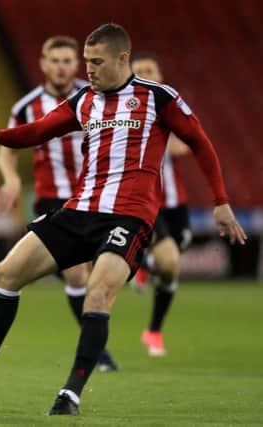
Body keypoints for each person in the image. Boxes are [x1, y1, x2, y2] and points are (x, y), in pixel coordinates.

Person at [0, 23, 246, 416]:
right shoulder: (85, 100)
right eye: (87, 61)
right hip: (79, 210)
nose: (88, 69)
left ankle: (70, 395)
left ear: (122, 58)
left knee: (97, 293)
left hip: (128, 218)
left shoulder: (158, 98)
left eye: (96, 61)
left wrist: (220, 201)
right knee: (5, 275)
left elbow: (200, 141)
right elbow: (39, 131)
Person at [0, 35, 117, 371]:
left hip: (97, 195)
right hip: (54, 199)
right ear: (43, 63)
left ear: (75, 64)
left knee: (99, 274)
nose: (61, 67)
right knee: (79, 274)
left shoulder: (99, 98)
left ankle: (96, 339)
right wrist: (12, 179)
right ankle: (99, 355)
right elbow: (7, 150)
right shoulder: (26, 106)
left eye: (67, 61)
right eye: (55, 61)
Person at [130, 52, 193, 356]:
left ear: (160, 75)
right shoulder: (127, 111)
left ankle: (153, 327)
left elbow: (186, 146)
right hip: (148, 202)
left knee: (171, 267)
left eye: (149, 70)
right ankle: (154, 330)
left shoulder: (171, 107)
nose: (144, 73)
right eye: (138, 70)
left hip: (175, 202)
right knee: (169, 260)